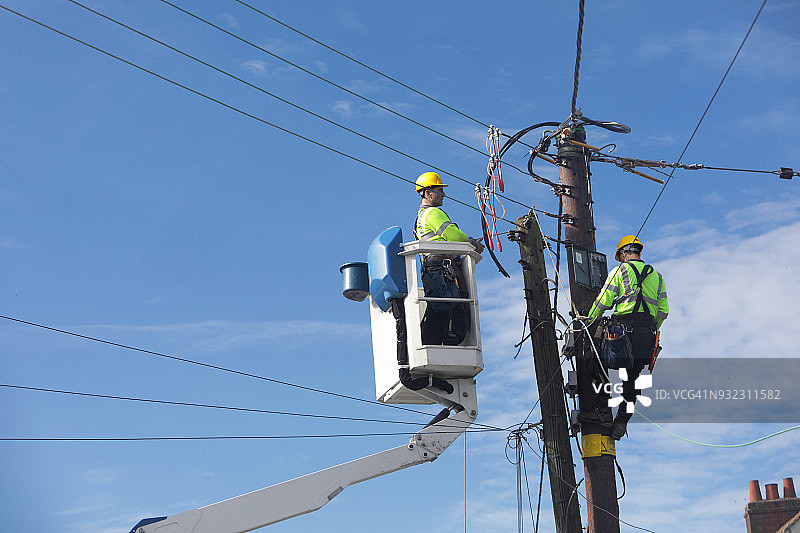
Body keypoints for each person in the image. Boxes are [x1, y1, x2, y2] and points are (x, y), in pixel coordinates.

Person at [586, 235, 669, 440]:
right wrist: (651, 328)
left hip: (622, 335)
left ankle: (600, 406)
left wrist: (588, 321)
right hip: (647, 337)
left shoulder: (620, 271)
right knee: (632, 380)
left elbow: (603, 301)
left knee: (594, 359)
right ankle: (621, 421)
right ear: (638, 252)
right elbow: (664, 310)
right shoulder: (657, 277)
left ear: (623, 253)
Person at [413, 171, 484, 345]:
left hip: (433, 269)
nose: (444, 194)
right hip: (443, 269)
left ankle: (433, 343)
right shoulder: (433, 213)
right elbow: (454, 236)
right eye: (440, 190)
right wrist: (473, 243)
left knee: (440, 309)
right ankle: (448, 340)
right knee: (455, 309)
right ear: (428, 193)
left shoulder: (421, 216)